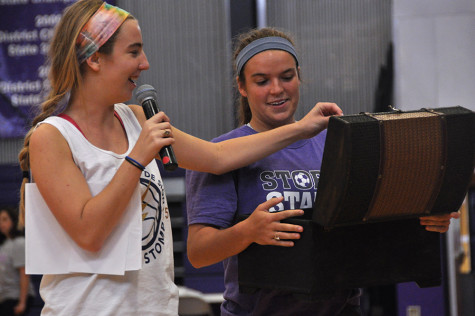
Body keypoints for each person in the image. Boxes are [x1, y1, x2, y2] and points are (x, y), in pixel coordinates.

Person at [17, 1, 341, 315]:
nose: (144, 63)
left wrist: (301, 129)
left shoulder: (135, 118)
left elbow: (217, 156)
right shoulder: (53, 136)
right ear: (95, 59)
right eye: (133, 51)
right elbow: (89, 234)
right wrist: (137, 159)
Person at [185, 27, 460, 316]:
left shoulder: (337, 144)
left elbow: (374, 220)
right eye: (262, 81)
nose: (277, 89)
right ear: (242, 87)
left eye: (287, 77)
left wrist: (427, 217)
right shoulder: (220, 154)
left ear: (299, 76)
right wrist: (248, 231)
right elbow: (200, 252)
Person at [0, 207, 36, 316]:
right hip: (5, 297)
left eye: (5, 219)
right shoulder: (5, 245)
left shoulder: (19, 243)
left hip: (15, 297)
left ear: (13, 220)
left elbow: (24, 273)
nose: (1, 223)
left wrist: (22, 302)